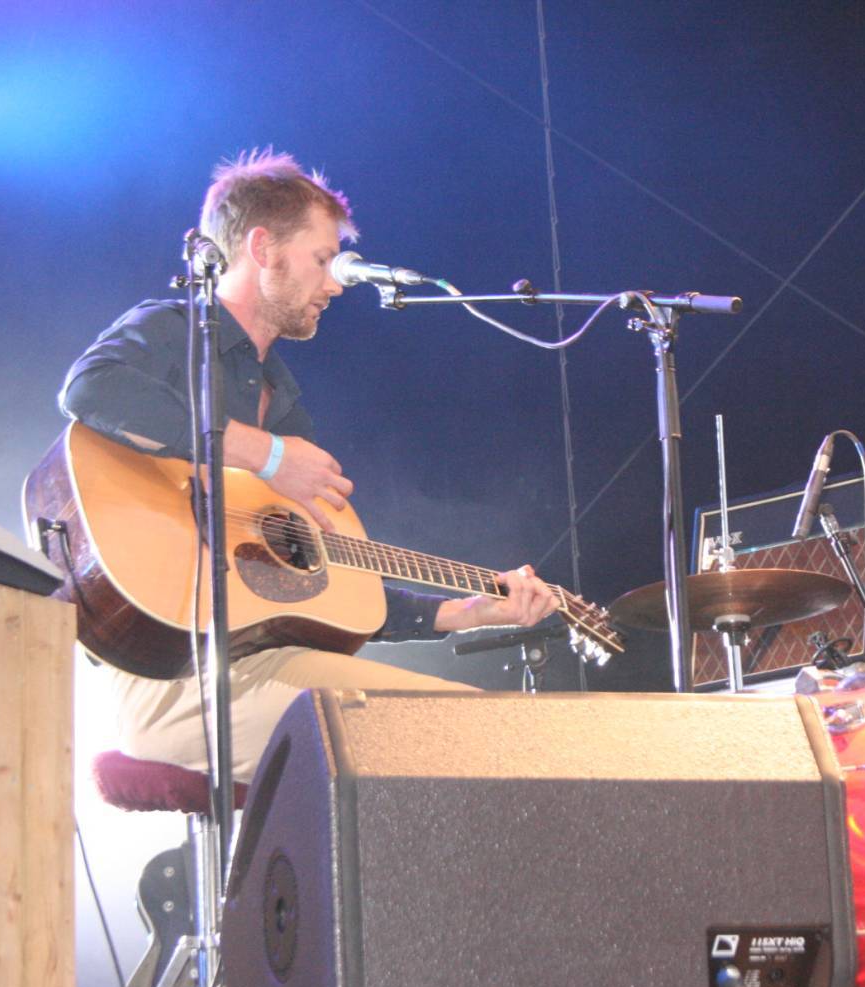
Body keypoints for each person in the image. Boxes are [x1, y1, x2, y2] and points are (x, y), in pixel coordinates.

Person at [59, 148, 558, 781]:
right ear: (262, 247)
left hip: (261, 660)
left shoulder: (282, 398)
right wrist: (264, 455)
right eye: (323, 260)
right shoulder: (173, 330)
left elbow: (324, 586)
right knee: (437, 738)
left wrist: (463, 614)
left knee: (486, 724)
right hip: (164, 673)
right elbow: (90, 390)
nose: (335, 284)